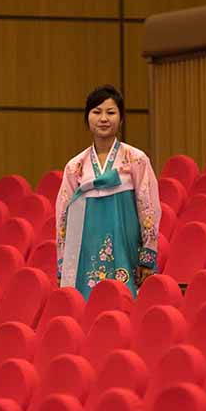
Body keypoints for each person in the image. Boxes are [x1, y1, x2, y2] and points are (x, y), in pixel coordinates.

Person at [55, 85, 161, 299]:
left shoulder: (136, 160)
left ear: (121, 119)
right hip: (86, 248)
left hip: (125, 246)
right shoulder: (75, 167)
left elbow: (148, 209)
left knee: (124, 302)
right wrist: (63, 262)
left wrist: (147, 256)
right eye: (97, 112)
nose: (103, 118)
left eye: (111, 112)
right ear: (87, 118)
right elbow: (63, 217)